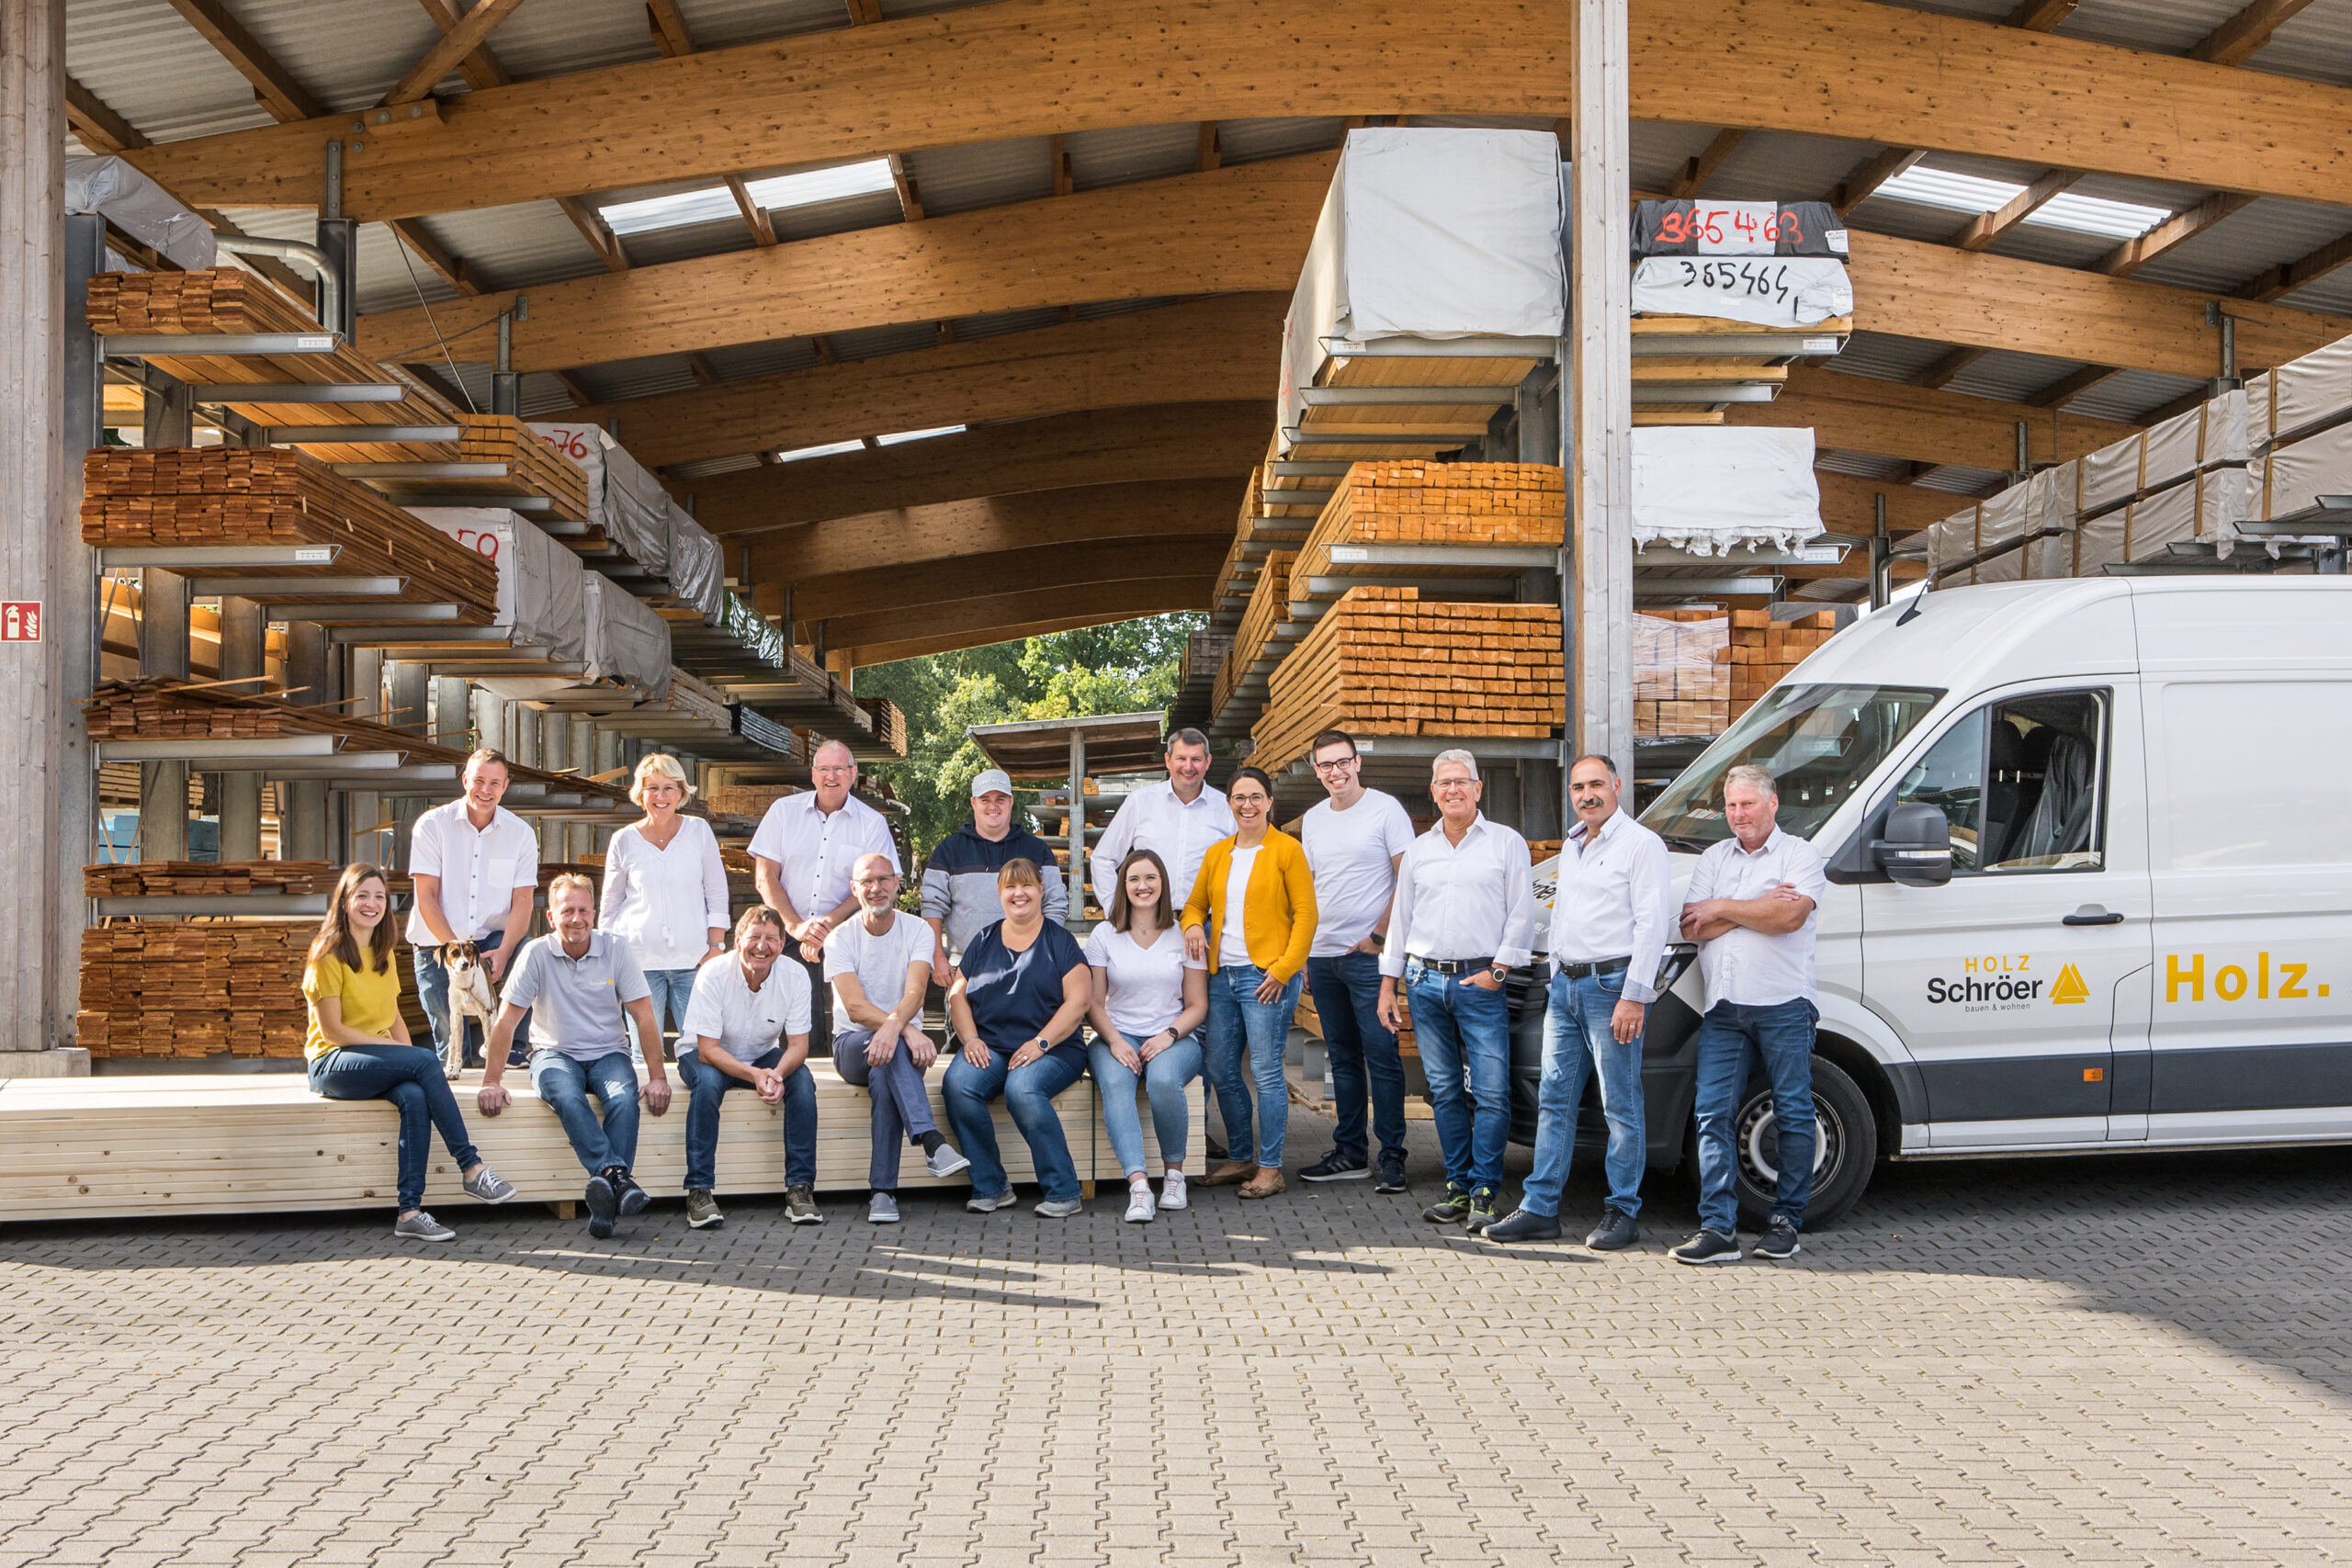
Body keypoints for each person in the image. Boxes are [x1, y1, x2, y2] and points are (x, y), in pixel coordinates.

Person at [1486, 754, 1673, 1248]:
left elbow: (1652, 924)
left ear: (1616, 786)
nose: (1586, 794)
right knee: (1554, 1100)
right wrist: (1553, 976)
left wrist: (1635, 996)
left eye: (1595, 784)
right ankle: (1540, 1209)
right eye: (1577, 787)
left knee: (1619, 1105)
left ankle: (1622, 1213)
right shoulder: (1573, 845)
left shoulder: (1641, 845)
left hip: (1612, 988)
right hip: (1564, 989)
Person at [303, 863, 515, 1240]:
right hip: (331, 1063)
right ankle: (472, 1168)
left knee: (415, 1095)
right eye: (362, 896)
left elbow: (394, 1016)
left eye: (380, 897)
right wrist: (405, 1056)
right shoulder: (327, 955)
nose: (372, 904)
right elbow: (333, 1031)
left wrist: (405, 1058)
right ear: (344, 902)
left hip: (374, 1060)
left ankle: (409, 1212)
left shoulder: (383, 955)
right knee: (423, 1059)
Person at [1671, 763, 1826, 1266]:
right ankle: (1718, 1228)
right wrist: (1751, 905)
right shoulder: (1714, 856)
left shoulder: (1801, 855)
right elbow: (1693, 926)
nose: (1738, 814)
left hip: (1783, 1003)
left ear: (1772, 803)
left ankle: (1786, 1223)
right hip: (1723, 1007)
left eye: (1747, 804)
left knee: (1794, 1111)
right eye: (1731, 806)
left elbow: (1789, 917)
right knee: (1712, 1113)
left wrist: (1724, 909)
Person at [1378, 750, 1534, 1235]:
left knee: (1490, 1092)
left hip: (1480, 982)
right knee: (1444, 1091)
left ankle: (1486, 1190)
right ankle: (1459, 1186)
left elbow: (1522, 915)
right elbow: (1401, 921)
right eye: (1444, 783)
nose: (1452, 791)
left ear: (1478, 788)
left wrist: (1499, 971)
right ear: (1433, 791)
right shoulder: (1420, 850)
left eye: (1461, 782)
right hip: (1424, 982)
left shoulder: (1506, 844)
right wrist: (1390, 986)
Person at [477, 873, 673, 1239]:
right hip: (553, 1053)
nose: (577, 918)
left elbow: (644, 1016)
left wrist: (658, 1077)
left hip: (609, 1052)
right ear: (551, 917)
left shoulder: (615, 949)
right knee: (565, 1095)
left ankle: (606, 1204)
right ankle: (618, 1178)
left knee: (622, 1098)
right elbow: (506, 1022)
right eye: (567, 910)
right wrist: (491, 1081)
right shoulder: (536, 953)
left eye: (584, 910)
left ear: (594, 914)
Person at [1182, 766, 1316, 1201]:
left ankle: (1271, 1168)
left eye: (1256, 796)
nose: (1247, 805)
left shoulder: (1287, 850)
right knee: (1221, 1068)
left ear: (1270, 801)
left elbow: (1306, 916)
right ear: (1229, 803)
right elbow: (1193, 905)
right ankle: (1241, 1157)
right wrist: (1193, 927)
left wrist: (1283, 970)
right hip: (1222, 976)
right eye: (1239, 797)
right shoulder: (1218, 853)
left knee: (1265, 1072)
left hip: (1267, 978)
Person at [1295, 728, 1417, 1192]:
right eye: (1325, 765)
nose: (1335, 772)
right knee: (1342, 1058)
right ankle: (1350, 1153)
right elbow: (1309, 889)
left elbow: (1406, 879)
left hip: (1369, 959)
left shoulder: (1385, 809)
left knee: (1382, 1057)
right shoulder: (1313, 819)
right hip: (1322, 957)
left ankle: (1392, 1157)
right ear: (1316, 770)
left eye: (1342, 762)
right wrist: (1305, 951)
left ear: (1358, 762)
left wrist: (1379, 936)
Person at [942, 858, 1093, 1218]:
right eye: (1010, 886)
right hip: (992, 1046)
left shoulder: (1060, 941)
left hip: (1054, 1048)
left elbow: (1079, 1001)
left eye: (1026, 885)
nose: (1019, 893)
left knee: (1021, 1089)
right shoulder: (984, 939)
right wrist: (970, 1039)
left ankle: (1064, 1191)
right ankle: (992, 1186)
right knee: (959, 1084)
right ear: (1000, 894)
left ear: (1040, 890)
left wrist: (1040, 1043)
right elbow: (957, 995)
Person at [827, 852, 971, 1224]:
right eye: (867, 882)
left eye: (884, 879)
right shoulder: (840, 938)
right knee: (886, 1054)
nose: (876, 888)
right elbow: (856, 1008)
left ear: (897, 883)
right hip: (852, 1045)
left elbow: (915, 995)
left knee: (885, 1071)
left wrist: (896, 1032)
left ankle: (882, 1194)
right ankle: (932, 1141)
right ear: (854, 889)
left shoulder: (919, 930)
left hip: (900, 1052)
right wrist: (903, 1029)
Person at [749, 738, 900, 1057]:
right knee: (787, 1017)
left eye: (839, 769)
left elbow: (878, 883)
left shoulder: (872, 823)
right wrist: (796, 926)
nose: (832, 776)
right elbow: (765, 877)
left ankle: (843, 1080)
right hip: (786, 931)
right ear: (813, 773)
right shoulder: (783, 812)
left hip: (847, 932)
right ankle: (787, 1078)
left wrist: (827, 924)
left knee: (850, 1014)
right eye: (824, 769)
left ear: (853, 773)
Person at [675, 905, 821, 1229]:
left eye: (771, 938)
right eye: (754, 937)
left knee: (803, 1081)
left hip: (760, 1054)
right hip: (703, 1056)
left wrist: (777, 1074)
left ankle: (800, 1188)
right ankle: (698, 1192)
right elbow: (707, 1049)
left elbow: (798, 1046)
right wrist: (757, 1075)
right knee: (709, 1084)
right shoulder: (713, 973)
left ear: (782, 944)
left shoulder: (795, 975)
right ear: (737, 940)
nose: (762, 946)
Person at [1084, 849, 1207, 1223]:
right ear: (1123, 885)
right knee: (1118, 1084)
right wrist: (1116, 1040)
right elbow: (1093, 1003)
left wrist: (1169, 1035)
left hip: (1175, 1036)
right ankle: (1139, 1188)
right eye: (1134, 878)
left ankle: (1174, 1177)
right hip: (1115, 1035)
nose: (1143, 886)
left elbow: (1198, 1005)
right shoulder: (1104, 934)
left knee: (1164, 1079)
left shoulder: (1183, 934)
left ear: (1163, 883)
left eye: (1150, 878)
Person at [406, 748, 538, 1070]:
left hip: (490, 941)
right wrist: (455, 956)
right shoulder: (433, 826)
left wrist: (505, 951)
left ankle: (512, 1050)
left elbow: (522, 901)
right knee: (452, 1048)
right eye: (478, 780)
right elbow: (427, 898)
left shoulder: (520, 834)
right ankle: (456, 1076)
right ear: (465, 780)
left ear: (505, 786)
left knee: (529, 955)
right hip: (438, 944)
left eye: (494, 783)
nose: (485, 790)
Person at [599, 752, 729, 1064]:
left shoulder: (699, 832)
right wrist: (607, 952)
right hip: (639, 962)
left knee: (701, 1052)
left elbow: (716, 891)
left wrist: (716, 945)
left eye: (668, 788)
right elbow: (610, 903)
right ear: (640, 794)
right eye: (652, 788)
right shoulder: (624, 840)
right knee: (645, 1055)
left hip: (694, 960)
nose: (660, 796)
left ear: (681, 792)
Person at [920, 767, 1068, 979]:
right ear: (973, 803)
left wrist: (1044, 953)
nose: (993, 806)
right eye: (985, 799)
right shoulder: (949, 850)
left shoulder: (1037, 850)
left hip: (1026, 967)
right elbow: (932, 906)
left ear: (1011, 801)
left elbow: (1055, 904)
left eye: (1000, 799)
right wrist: (937, 957)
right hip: (965, 966)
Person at [1089, 728, 1233, 916]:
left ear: (1208, 762)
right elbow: (1102, 859)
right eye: (1181, 758)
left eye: (1196, 759)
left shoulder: (1226, 807)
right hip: (1151, 921)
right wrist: (1115, 908)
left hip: (1208, 924)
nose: (1188, 767)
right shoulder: (1140, 802)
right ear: (1168, 761)